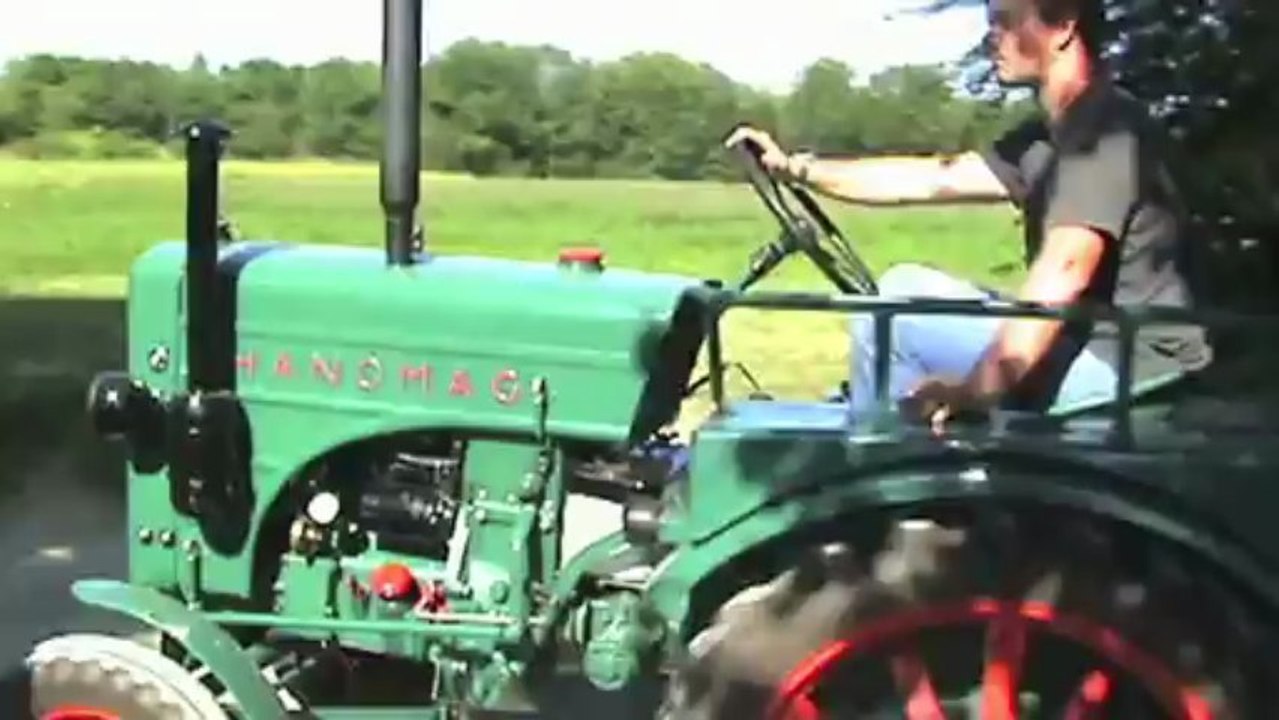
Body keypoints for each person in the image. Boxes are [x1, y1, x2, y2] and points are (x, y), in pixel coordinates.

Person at [725, 0, 1212, 428]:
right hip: (1093, 342)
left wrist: (979, 389)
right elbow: (930, 178)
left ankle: (883, 491)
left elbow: (1067, 267)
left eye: (1003, 21)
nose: (990, 37)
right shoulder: (1044, 139)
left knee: (893, 310)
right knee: (907, 284)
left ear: (1062, 25)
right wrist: (794, 167)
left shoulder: (1103, 132)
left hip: (1131, 366)